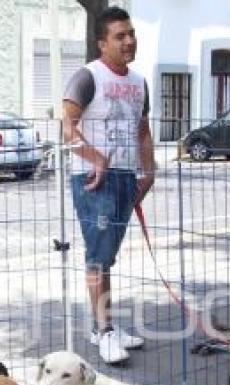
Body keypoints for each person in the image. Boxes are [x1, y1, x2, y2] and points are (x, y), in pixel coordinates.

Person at [62, 6, 155, 364]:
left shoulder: (139, 82)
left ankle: (105, 326)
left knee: (107, 258)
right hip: (92, 178)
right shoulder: (87, 77)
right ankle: (104, 332)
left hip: (125, 177)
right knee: (97, 257)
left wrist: (149, 170)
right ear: (102, 43)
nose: (129, 41)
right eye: (120, 36)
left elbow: (142, 130)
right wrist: (95, 158)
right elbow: (66, 126)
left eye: (131, 34)